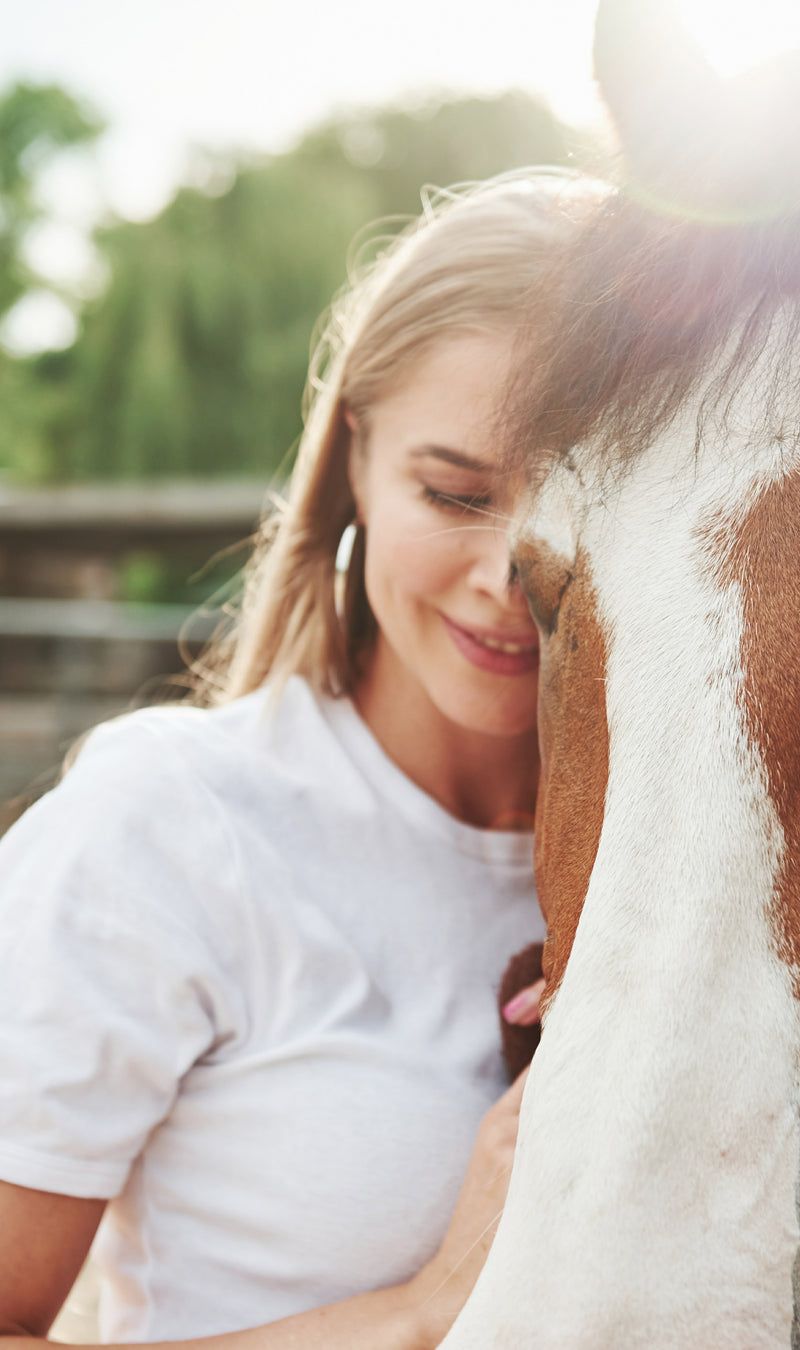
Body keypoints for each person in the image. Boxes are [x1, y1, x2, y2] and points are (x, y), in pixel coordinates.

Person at [0, 168, 592, 1348]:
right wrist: (422, 1316)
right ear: (357, 458)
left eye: (583, 505)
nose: (510, 578)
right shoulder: (166, 823)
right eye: (455, 493)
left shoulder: (691, 870)